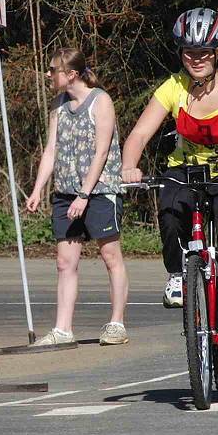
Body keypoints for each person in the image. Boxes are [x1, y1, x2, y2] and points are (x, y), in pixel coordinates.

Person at [121, 8, 218, 383]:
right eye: (190, 53)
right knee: (171, 208)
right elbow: (139, 135)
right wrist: (130, 165)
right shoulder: (172, 87)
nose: (197, 60)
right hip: (186, 172)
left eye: (204, 53)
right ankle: (178, 271)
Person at [25, 48, 129, 347]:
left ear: (71, 74)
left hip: (99, 191)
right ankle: (62, 329)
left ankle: (116, 323)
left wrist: (85, 194)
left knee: (110, 255)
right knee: (64, 261)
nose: (48, 74)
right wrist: (38, 189)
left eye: (53, 69)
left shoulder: (101, 101)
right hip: (66, 192)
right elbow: (51, 150)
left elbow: (102, 151)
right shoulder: (58, 105)